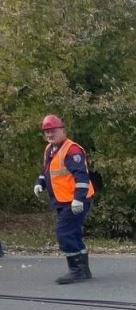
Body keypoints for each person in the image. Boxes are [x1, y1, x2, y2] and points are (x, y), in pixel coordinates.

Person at [33, 114, 95, 283]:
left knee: (65, 234)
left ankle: (76, 271)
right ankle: (83, 270)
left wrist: (78, 199)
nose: (50, 135)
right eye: (46, 132)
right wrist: (40, 182)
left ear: (62, 130)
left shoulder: (72, 150)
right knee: (73, 234)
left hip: (75, 201)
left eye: (53, 131)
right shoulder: (50, 149)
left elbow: (82, 177)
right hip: (62, 200)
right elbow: (48, 171)